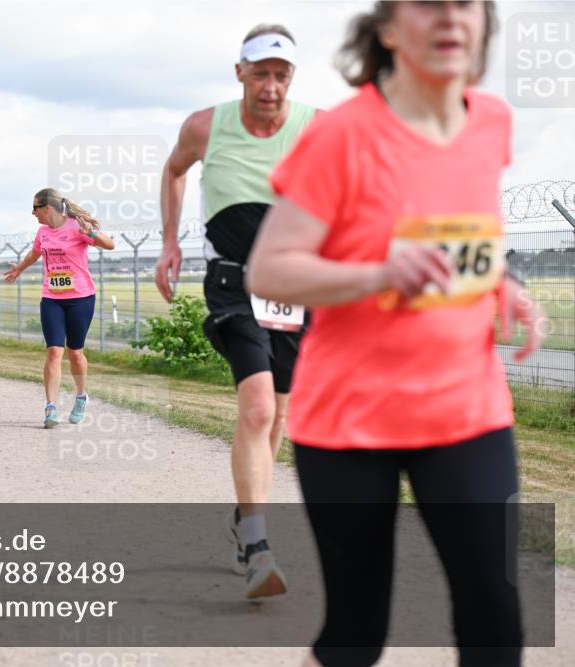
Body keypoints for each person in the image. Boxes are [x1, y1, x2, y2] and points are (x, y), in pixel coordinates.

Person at [245, 3, 547, 665]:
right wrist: (378, 272)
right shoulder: (344, 135)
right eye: (427, 4)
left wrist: (501, 284)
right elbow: (270, 267)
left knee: (496, 619)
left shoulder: (491, 121)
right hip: (351, 419)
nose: (449, 18)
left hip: (466, 409)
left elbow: (462, 229)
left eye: (465, 4)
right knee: (356, 632)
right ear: (387, 29)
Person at [154, 23, 317, 597]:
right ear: (240, 72)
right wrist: (170, 242)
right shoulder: (205, 126)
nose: (271, 85)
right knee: (254, 409)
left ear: (291, 78)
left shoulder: (317, 128)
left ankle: (245, 513)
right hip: (233, 281)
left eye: (282, 74)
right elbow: (174, 171)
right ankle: (257, 542)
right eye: (261, 72)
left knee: (277, 413)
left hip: (297, 285)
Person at [3, 188, 115, 428]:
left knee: (75, 353)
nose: (32, 212)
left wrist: (92, 232)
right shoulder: (42, 231)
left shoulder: (76, 226)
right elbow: (35, 254)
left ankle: (81, 396)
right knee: (54, 351)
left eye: (35, 207)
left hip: (81, 298)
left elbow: (110, 245)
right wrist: (20, 269)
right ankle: (51, 407)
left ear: (47, 207)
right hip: (51, 298)